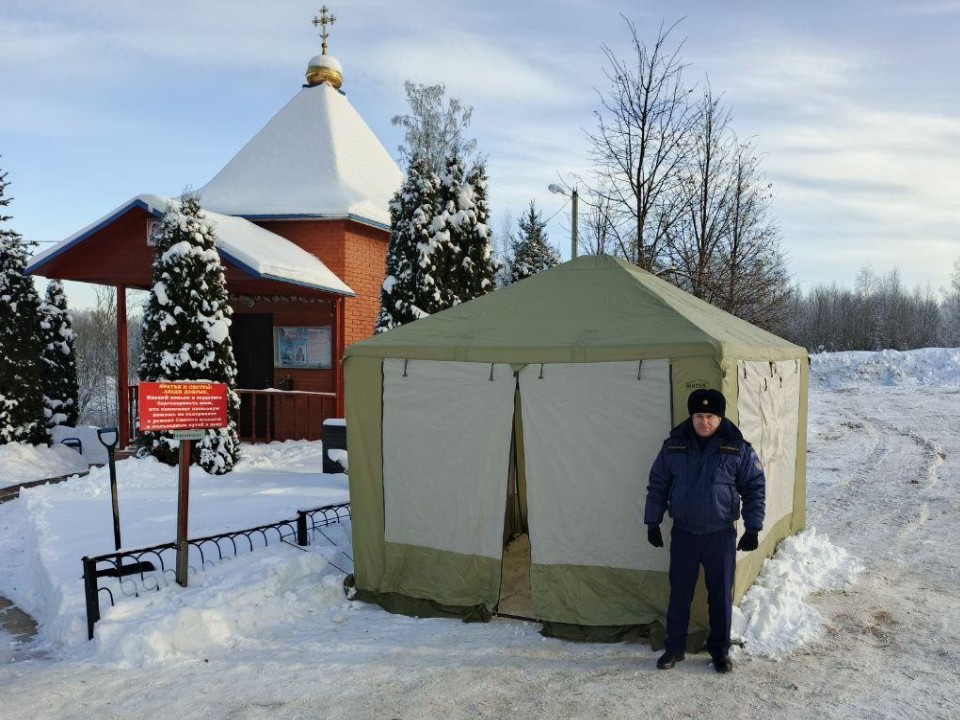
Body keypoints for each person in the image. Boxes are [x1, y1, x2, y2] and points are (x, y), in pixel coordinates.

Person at [644, 388, 765, 674]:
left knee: (720, 596)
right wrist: (652, 522)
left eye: (711, 416)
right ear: (692, 416)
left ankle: (720, 652)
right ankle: (674, 648)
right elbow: (657, 484)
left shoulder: (737, 448)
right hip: (684, 534)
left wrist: (753, 527)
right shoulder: (674, 446)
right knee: (680, 594)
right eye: (699, 415)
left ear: (720, 418)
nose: (704, 422)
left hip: (719, 536)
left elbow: (755, 488)